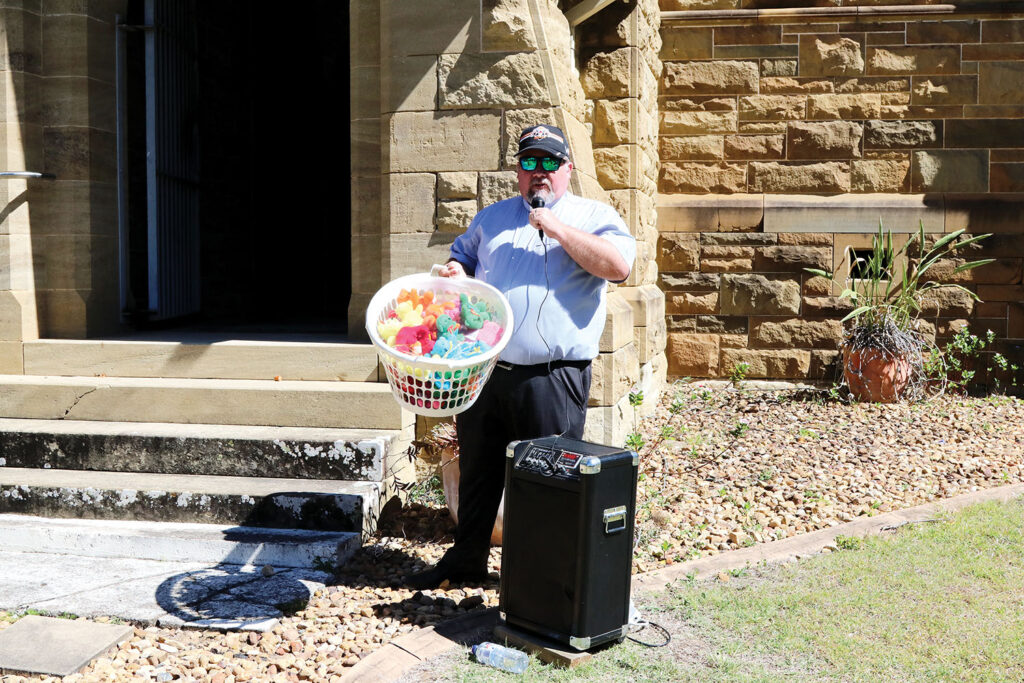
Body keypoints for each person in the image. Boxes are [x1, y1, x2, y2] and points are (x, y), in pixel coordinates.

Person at [405, 124, 636, 590]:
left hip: (552, 377)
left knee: (547, 478)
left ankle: (539, 580)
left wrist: (555, 226)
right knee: (479, 473)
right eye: (529, 163)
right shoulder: (492, 219)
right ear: (517, 172)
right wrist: (457, 269)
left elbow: (618, 266)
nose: (540, 173)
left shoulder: (593, 215)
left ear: (568, 169)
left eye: (550, 162)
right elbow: (463, 257)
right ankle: (466, 560)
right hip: (487, 371)